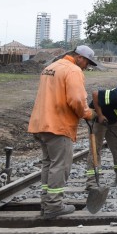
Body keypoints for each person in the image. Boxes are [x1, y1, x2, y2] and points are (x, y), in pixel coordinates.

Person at [27, 44, 99, 219]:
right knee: (60, 165)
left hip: (41, 123)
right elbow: (76, 100)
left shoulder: (50, 67)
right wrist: (88, 114)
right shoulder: (73, 70)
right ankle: (54, 205)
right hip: (58, 126)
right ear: (80, 57)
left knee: (48, 164)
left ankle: (46, 203)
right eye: (87, 63)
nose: (87, 67)